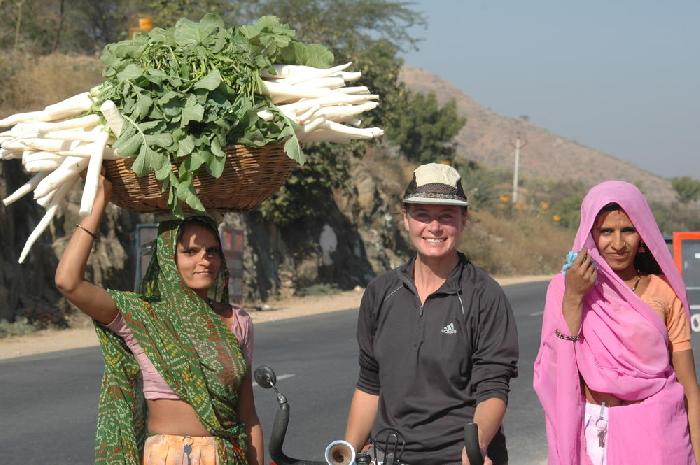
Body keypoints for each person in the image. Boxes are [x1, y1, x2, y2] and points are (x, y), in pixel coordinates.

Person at [54, 174, 263, 465]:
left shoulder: (236, 321)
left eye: (212, 251)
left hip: (227, 456)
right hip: (165, 457)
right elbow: (68, 282)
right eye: (190, 251)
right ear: (168, 257)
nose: (204, 259)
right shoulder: (142, 317)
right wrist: (98, 203)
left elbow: (248, 416)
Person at [344, 163, 519, 465]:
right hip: (389, 456)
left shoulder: (484, 295)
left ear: (464, 220)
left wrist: (473, 451)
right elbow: (370, 385)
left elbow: (493, 389)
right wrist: (344, 454)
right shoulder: (381, 292)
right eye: (422, 215)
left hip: (458, 457)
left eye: (446, 216)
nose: (434, 228)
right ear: (406, 219)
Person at [534, 180, 699, 465]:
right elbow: (554, 371)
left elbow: (689, 389)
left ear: (643, 233)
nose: (619, 244)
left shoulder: (663, 292)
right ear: (590, 234)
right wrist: (574, 297)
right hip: (597, 436)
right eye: (606, 231)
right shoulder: (566, 289)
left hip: (661, 436)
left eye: (628, 230)